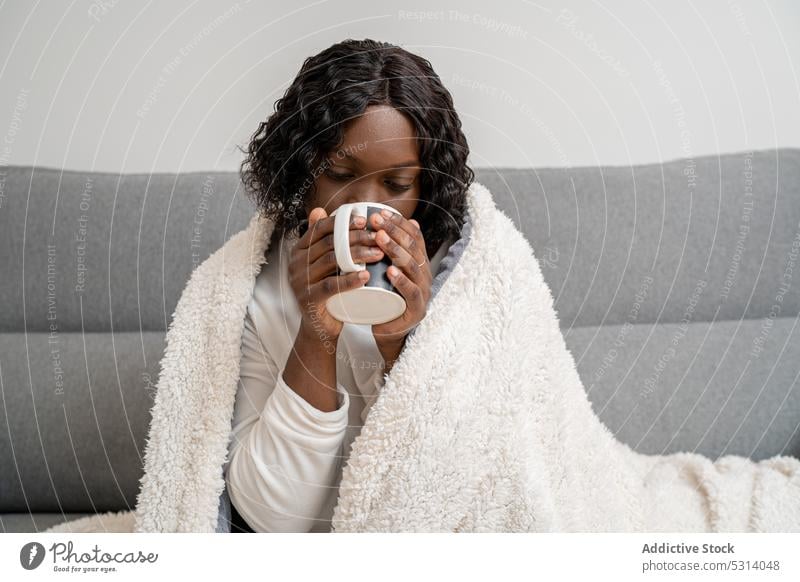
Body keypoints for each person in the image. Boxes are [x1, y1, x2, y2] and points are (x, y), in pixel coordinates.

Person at [223, 38, 475, 532]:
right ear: (302, 170)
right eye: (339, 173)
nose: (360, 205)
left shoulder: (467, 275)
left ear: (425, 188)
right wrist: (317, 329)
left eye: (397, 185)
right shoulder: (255, 287)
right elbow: (269, 516)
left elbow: (468, 488)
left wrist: (401, 346)